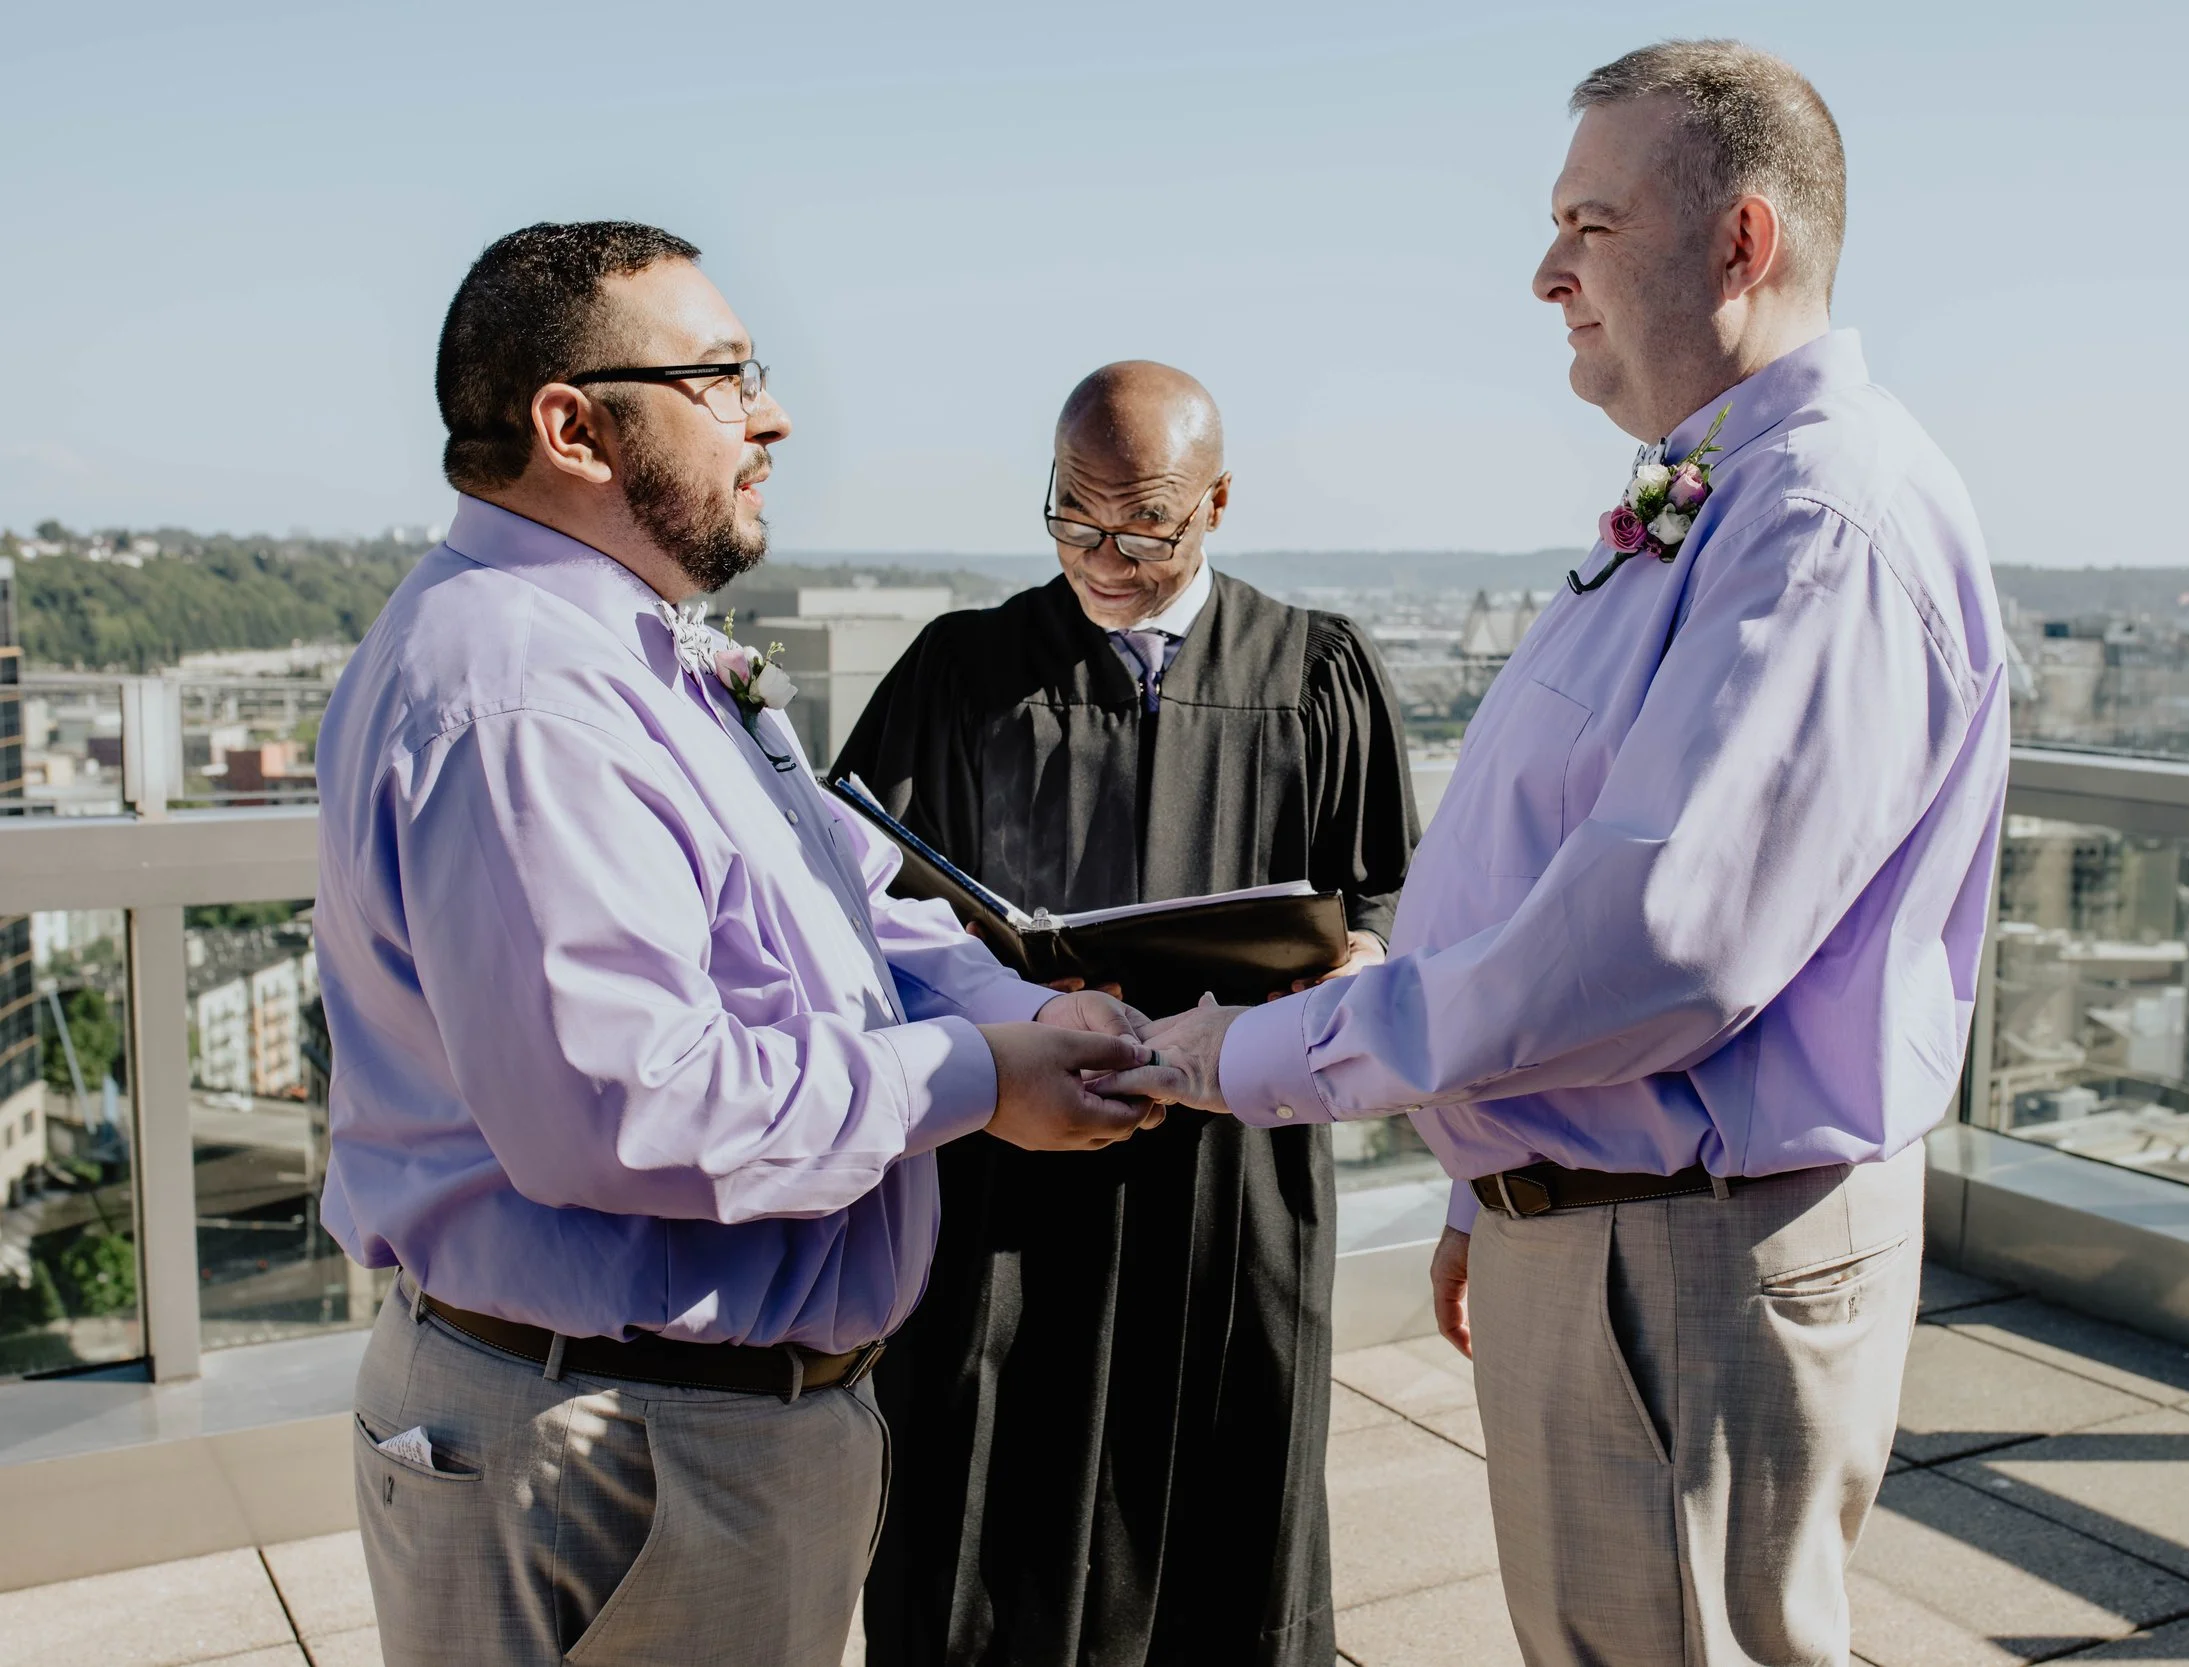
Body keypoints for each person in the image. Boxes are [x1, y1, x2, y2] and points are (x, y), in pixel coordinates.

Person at [1113, 41, 2008, 1667]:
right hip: (1604, 1212)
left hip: (1680, 1242)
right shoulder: (1722, 490)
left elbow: (1653, 945)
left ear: (1740, 244)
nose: (1546, 274)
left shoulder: (1819, 524)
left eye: (1588, 226)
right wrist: (1486, 1170)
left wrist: (1257, 1054)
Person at [315, 221, 1160, 1667]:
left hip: (681, 1434)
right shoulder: (524, 701)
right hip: (617, 1454)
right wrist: (978, 1076)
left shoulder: (627, 646)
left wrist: (1033, 1017)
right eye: (717, 376)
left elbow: (853, 904)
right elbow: (629, 1107)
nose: (770, 412)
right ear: (573, 425)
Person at [834, 361, 1417, 1667]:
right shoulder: (963, 669)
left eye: (1142, 526)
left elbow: (1385, 875)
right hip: (1014, 1177)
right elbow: (850, 883)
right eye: (1071, 518)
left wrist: (1364, 948)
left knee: (1234, 1484)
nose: (1101, 555)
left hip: (1238, 1169)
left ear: (1217, 503)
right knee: (991, 1501)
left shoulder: (1314, 669)